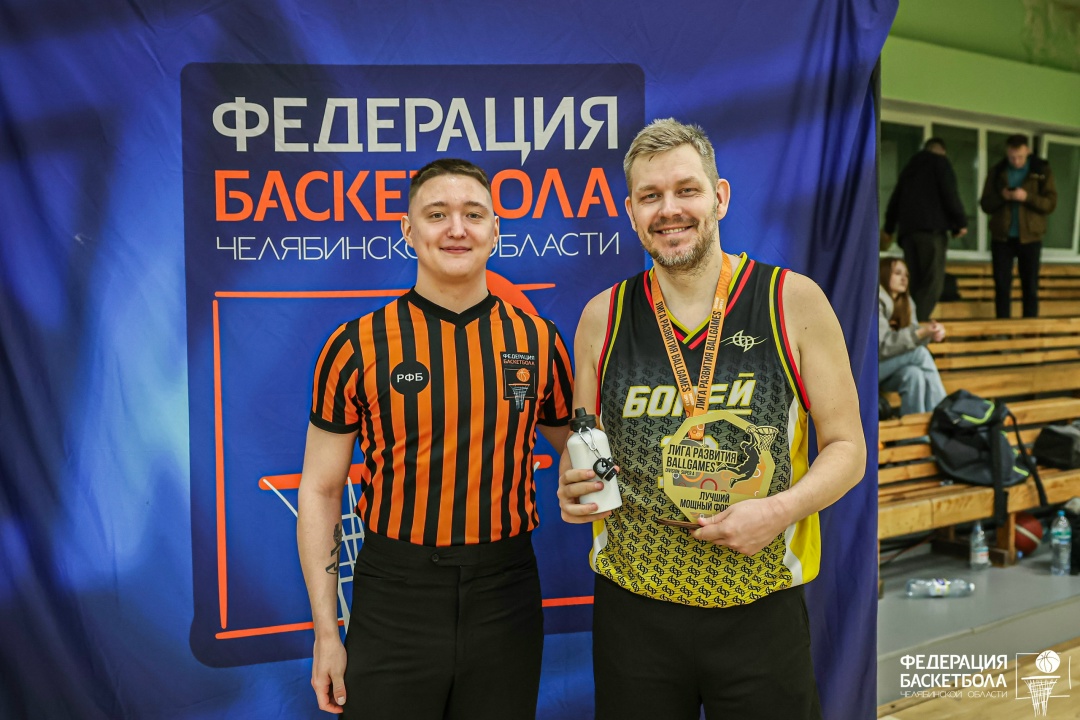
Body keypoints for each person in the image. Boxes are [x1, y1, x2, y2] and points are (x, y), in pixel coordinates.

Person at [556, 119, 866, 719]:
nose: (669, 210)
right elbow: (589, 450)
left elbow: (848, 448)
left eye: (686, 190)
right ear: (631, 211)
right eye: (650, 196)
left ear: (719, 196)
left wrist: (778, 511)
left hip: (760, 598)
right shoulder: (603, 316)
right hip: (634, 604)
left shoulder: (792, 301)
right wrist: (577, 490)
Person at [297, 158, 573, 719]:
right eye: (437, 214)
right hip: (394, 594)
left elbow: (576, 444)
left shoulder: (539, 340)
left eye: (473, 214)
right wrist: (327, 631)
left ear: (495, 229)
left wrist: (586, 475)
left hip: (506, 594)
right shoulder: (355, 345)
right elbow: (321, 489)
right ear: (408, 229)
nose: (457, 229)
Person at [880, 137, 969, 321]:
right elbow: (949, 193)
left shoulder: (909, 168)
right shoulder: (940, 163)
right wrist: (960, 222)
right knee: (932, 283)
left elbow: (895, 200)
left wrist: (889, 228)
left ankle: (905, 323)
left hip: (908, 235)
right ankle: (913, 326)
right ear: (942, 151)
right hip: (931, 233)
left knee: (912, 283)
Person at [979, 134, 1058, 318]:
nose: (1016, 161)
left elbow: (1050, 204)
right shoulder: (997, 171)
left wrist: (1027, 197)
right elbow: (985, 204)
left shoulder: (1041, 170)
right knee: (1001, 286)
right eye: (1012, 157)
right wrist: (1002, 196)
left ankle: (1029, 331)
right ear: (1007, 153)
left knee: (1030, 287)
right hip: (1002, 237)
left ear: (1027, 151)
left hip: (1031, 237)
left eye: (1020, 157)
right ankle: (1003, 329)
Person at [878, 258, 947, 416]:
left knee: (914, 375)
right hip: (871, 369)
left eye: (906, 275)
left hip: (891, 369)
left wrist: (931, 333)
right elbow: (882, 347)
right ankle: (943, 414)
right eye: (897, 273)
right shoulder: (875, 301)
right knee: (920, 354)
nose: (904, 278)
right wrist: (921, 333)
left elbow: (913, 337)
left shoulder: (907, 303)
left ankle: (915, 429)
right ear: (884, 274)